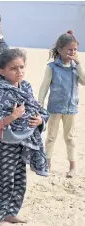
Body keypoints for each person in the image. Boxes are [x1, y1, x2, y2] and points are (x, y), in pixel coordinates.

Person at [0, 48, 49, 226]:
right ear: (2, 71)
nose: (19, 71)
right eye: (13, 68)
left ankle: (10, 212)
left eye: (21, 67)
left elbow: (37, 108)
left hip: (24, 140)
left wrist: (40, 120)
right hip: (5, 142)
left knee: (19, 179)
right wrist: (13, 116)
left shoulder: (25, 87)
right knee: (2, 180)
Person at [38, 31, 85, 178]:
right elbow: (44, 87)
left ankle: (72, 167)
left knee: (70, 138)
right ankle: (48, 164)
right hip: (55, 108)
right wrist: (40, 105)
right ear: (60, 49)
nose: (72, 52)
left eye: (75, 50)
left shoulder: (74, 68)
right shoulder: (52, 67)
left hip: (71, 108)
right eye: (69, 49)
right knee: (51, 136)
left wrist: (78, 63)